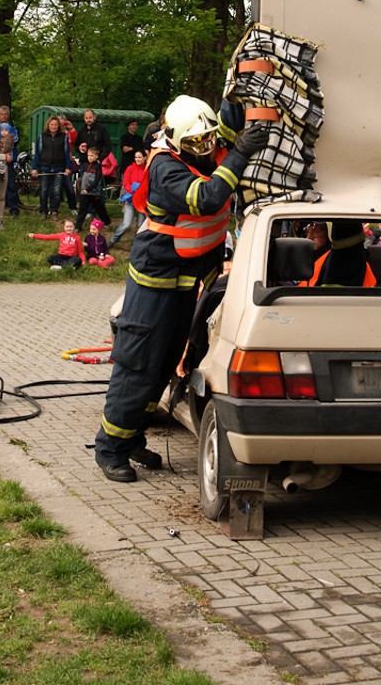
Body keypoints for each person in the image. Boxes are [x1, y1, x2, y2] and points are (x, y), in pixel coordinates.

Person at [94, 93, 269, 483]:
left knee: (164, 363)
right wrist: (239, 153)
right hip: (152, 288)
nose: (206, 149)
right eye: (195, 143)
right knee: (138, 366)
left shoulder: (200, 148)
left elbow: (226, 127)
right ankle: (110, 448)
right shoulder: (165, 169)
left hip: (182, 285)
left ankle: (133, 437)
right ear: (173, 139)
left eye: (209, 140)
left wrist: (240, 101)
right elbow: (206, 199)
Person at [32, 115, 72, 220]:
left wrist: (68, 167)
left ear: (58, 126)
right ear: (48, 125)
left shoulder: (64, 137)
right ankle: (43, 211)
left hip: (59, 168)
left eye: (55, 125)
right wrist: (34, 168)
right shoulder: (42, 137)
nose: (53, 127)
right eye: (52, 125)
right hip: (44, 168)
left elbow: (67, 153)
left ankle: (54, 210)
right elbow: (37, 153)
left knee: (57, 190)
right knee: (44, 190)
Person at [109, 150, 147, 247]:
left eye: (140, 157)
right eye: (136, 157)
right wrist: (133, 191)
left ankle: (136, 245)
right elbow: (125, 183)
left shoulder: (148, 169)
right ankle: (113, 240)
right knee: (126, 224)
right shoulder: (130, 168)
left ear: (145, 158)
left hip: (142, 201)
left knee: (140, 225)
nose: (138, 159)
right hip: (131, 200)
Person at [75, 145, 111, 231]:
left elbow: (97, 180)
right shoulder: (84, 165)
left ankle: (107, 222)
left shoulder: (98, 166)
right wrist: (83, 188)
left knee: (99, 208)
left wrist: (89, 189)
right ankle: (78, 226)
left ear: (97, 156)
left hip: (94, 192)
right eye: (88, 155)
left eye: (92, 156)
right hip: (84, 191)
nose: (90, 157)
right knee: (82, 209)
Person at [0, 106, 21, 217]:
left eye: (5, 114)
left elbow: (15, 140)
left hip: (9, 159)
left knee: (10, 183)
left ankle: (13, 208)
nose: (3, 116)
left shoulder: (13, 128)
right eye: (1, 114)